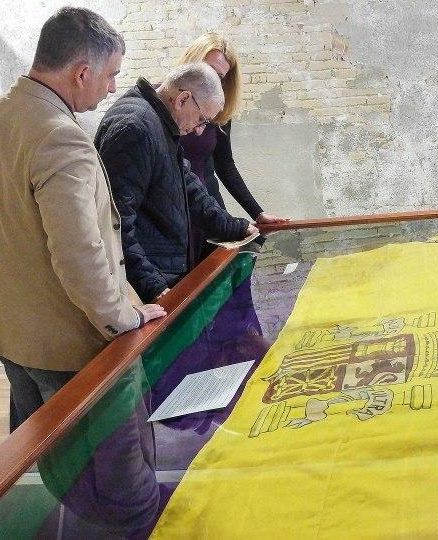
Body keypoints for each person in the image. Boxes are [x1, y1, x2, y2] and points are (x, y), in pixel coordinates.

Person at [0, 7, 166, 432]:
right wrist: (124, 318)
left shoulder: (8, 112)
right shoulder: (60, 136)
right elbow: (78, 253)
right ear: (81, 72)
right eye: (110, 75)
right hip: (70, 351)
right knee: (113, 482)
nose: (112, 88)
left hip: (17, 338)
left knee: (47, 471)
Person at [95, 63, 258, 304]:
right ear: (183, 99)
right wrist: (154, 288)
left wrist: (236, 227)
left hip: (164, 269)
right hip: (149, 281)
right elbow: (116, 223)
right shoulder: (135, 127)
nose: (200, 131)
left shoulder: (159, 120)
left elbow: (188, 187)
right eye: (202, 119)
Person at [179, 32, 289, 263]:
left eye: (220, 76)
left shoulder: (219, 109)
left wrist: (256, 212)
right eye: (207, 69)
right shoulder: (164, 101)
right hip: (175, 212)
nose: (212, 80)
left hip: (210, 208)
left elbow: (224, 163)